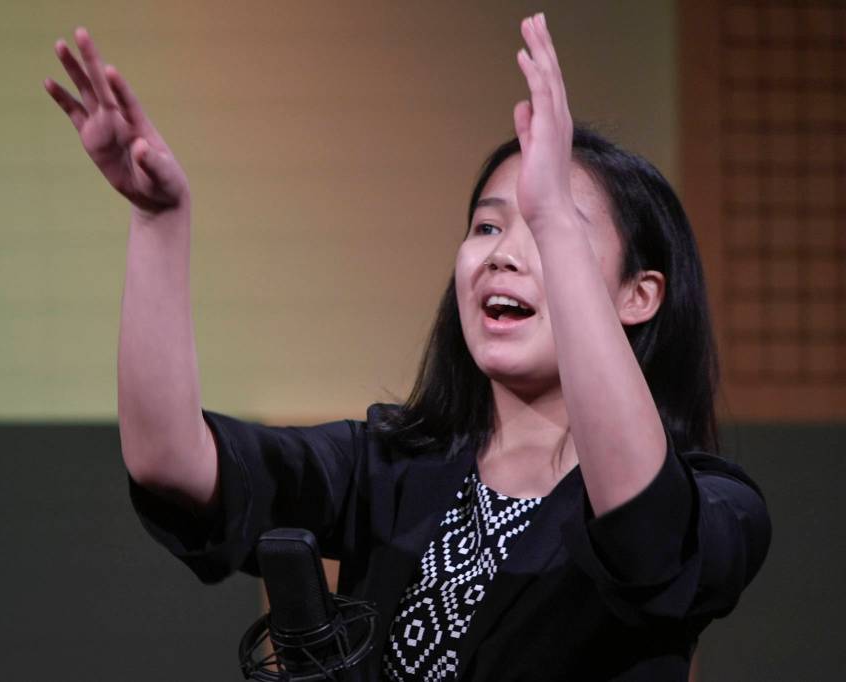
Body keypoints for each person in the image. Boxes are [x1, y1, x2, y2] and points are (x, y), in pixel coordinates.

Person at [45, 13, 771, 681]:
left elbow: (645, 538)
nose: (503, 254)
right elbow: (171, 463)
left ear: (638, 296)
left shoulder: (720, 505)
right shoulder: (389, 464)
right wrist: (158, 223)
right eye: (487, 227)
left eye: (554, 229)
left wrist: (550, 217)